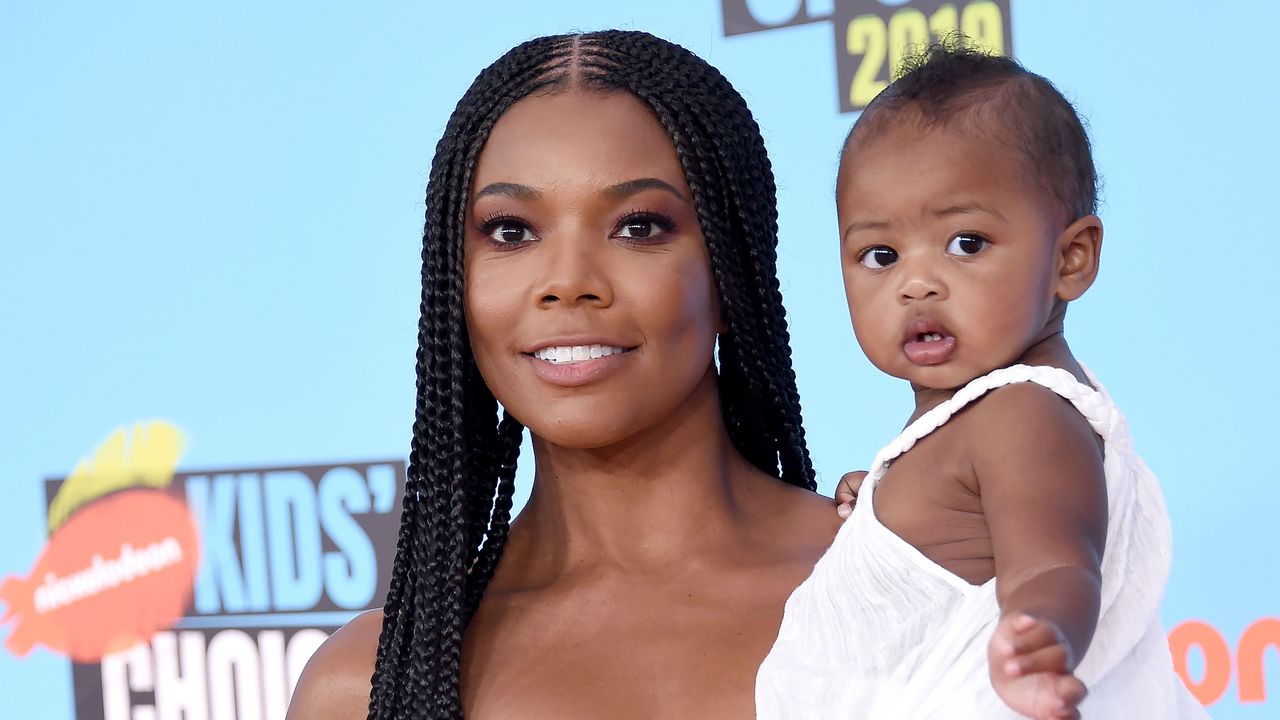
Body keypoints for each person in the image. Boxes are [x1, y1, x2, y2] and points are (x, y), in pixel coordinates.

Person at [286, 30, 840, 720]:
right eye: (512, 232)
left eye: (638, 227)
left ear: (731, 273)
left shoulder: (904, 576)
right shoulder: (367, 686)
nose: (568, 283)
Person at [757, 43, 1207, 719]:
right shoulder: (978, 421)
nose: (916, 282)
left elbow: (1054, 564)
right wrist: (877, 513)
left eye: (966, 243)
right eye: (880, 255)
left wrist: (1039, 640)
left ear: (1071, 259)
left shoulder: (1023, 414)